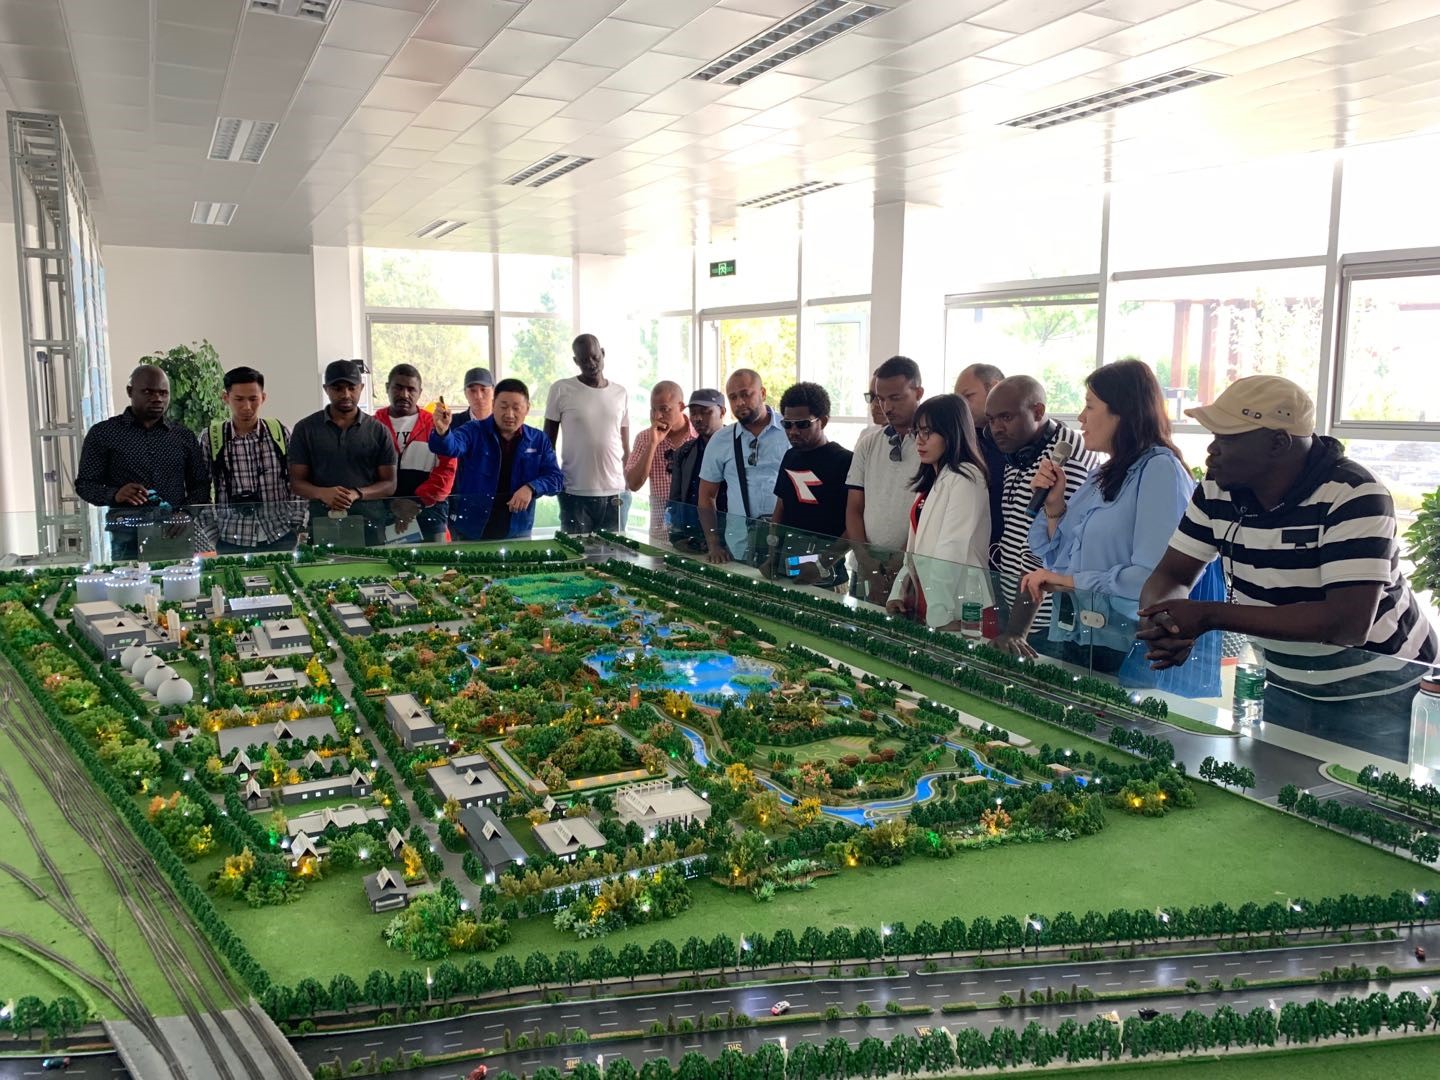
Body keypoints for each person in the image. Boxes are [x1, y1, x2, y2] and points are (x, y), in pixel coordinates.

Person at [1138, 376, 1438, 761]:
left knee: (1359, 799)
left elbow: (1346, 623)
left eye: (1227, 438)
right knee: (1273, 790)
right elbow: (1171, 576)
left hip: (1380, 693)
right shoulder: (1216, 489)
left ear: (1278, 443)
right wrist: (1163, 623)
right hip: (1285, 684)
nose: (1211, 449)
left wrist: (1208, 616)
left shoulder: (1354, 493)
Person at [1021, 359, 1193, 674]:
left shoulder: (1160, 470)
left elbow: (1155, 578)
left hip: (1128, 644)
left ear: (1123, 412)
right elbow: (1059, 562)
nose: (1081, 417)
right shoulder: (1103, 473)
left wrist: (1069, 581)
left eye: (1090, 406)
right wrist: (1054, 506)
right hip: (1079, 634)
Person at [984, 375, 1099, 657]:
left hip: (1043, 620)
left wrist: (1017, 630)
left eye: (1006, 417)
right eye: (991, 419)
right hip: (1015, 606)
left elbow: (1045, 548)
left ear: (1037, 412)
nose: (996, 428)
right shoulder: (1019, 449)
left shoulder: (1064, 454)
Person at [75, 364, 209, 560]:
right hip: (127, 536)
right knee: (129, 580)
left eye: (163, 393)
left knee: (181, 581)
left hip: (175, 532)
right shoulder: (103, 433)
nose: (157, 398)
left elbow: (201, 486)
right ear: (130, 391)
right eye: (148, 392)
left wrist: (186, 513)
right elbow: (85, 485)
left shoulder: (183, 436)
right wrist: (115, 494)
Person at [885, 394, 991, 629]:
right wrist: (899, 592)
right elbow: (915, 550)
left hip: (959, 606)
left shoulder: (966, 476)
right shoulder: (932, 478)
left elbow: (951, 548)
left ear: (952, 433)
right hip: (932, 598)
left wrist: (940, 615)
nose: (919, 441)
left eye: (928, 432)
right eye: (917, 432)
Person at [429, 378, 563, 539]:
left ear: (527, 409)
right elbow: (451, 447)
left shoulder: (538, 439)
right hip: (472, 527)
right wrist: (443, 432)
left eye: (516, 408)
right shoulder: (473, 430)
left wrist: (532, 487)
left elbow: (556, 479)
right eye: (503, 407)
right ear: (493, 405)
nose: (509, 414)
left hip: (518, 529)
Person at [199, 365, 306, 553]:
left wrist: (296, 526)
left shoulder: (280, 433)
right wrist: (213, 536)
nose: (247, 406)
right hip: (231, 537)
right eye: (239, 399)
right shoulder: (211, 438)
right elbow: (200, 489)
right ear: (225, 398)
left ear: (263, 398)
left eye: (253, 399)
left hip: (280, 534)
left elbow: (297, 481)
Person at [288, 360, 397, 543]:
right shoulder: (305, 429)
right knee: (324, 563)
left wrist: (357, 493)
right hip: (323, 522)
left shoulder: (378, 431)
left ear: (361, 387)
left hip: (370, 525)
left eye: (351, 388)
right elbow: (296, 483)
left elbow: (389, 484)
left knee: (373, 563)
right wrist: (323, 493)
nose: (346, 394)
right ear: (326, 389)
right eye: (337, 388)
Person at [845, 355, 924, 602]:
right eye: (880, 398)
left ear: (918, 392)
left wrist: (901, 561)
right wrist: (865, 561)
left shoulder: (933, 445)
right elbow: (854, 508)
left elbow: (928, 514)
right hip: (863, 566)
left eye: (895, 398)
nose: (886, 407)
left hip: (912, 567)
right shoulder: (868, 443)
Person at [767, 382, 853, 589]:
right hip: (787, 568)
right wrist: (772, 555)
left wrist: (822, 565)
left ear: (823, 421)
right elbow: (780, 508)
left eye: (802, 424)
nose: (793, 431)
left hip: (828, 576)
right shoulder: (790, 456)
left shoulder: (845, 461)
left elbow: (855, 525)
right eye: (787, 424)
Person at [698, 368, 787, 565]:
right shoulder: (721, 440)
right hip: (739, 546)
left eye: (746, 394)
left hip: (786, 543)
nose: (739, 402)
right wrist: (714, 544)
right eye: (733, 397)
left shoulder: (790, 430)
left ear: (762, 393)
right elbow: (706, 496)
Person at [544, 333, 629, 534]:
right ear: (576, 361)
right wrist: (554, 479)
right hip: (574, 492)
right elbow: (547, 444)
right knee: (574, 551)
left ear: (603, 353)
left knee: (616, 551)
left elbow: (625, 446)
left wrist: (627, 483)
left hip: (615, 493)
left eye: (595, 357)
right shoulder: (561, 389)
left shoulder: (620, 392)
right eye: (583, 360)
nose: (591, 364)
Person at [374, 364, 456, 543]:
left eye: (411, 389)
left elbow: (447, 469)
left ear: (420, 392)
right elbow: (365, 472)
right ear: (387, 388)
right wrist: (392, 503)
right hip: (384, 513)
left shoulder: (435, 425)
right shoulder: (373, 426)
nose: (404, 394)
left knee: (437, 561)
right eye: (398, 387)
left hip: (430, 512)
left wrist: (418, 501)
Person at [624, 381, 696, 540]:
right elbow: (633, 484)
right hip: (660, 534)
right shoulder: (645, 438)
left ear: (681, 406)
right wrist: (652, 444)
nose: (657, 416)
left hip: (695, 534)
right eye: (653, 410)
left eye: (664, 409)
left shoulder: (699, 435)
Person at [955, 363, 1007, 555]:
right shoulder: (962, 442)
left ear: (995, 388)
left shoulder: (1022, 442)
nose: (962, 406)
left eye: (968, 396)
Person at [666, 388, 727, 552]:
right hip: (692, 537)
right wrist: (676, 537)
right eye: (693, 413)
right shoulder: (684, 452)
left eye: (705, 412)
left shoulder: (736, 449)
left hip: (728, 539)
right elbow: (675, 499)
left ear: (722, 411)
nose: (698, 418)